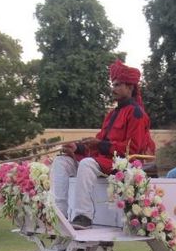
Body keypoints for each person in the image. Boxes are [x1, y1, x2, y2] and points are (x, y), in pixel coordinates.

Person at [51, 60, 156, 229]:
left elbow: (132, 150)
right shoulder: (112, 114)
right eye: (113, 84)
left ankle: (83, 215)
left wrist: (100, 145)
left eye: (117, 85)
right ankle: (60, 214)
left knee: (86, 163)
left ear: (130, 87)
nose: (113, 88)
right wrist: (77, 148)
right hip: (101, 161)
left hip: (120, 164)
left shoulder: (137, 114)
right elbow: (99, 140)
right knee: (61, 161)